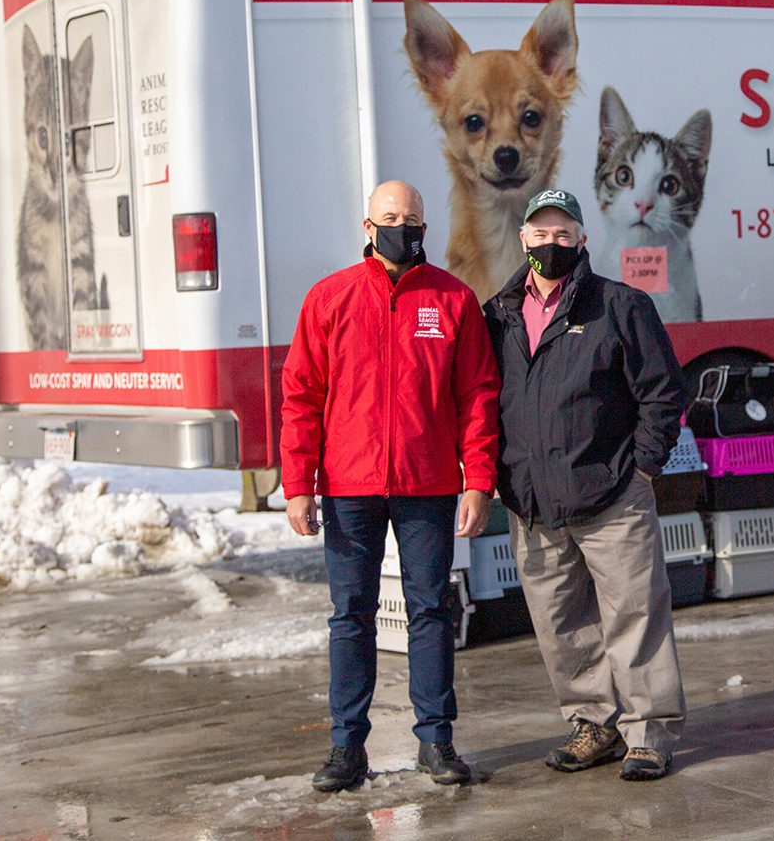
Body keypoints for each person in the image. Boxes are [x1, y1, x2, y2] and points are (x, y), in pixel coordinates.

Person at [280, 179, 499, 792]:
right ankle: (347, 748)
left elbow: (478, 396)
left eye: (412, 218)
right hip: (349, 487)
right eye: (390, 217)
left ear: (425, 226)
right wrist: (298, 484)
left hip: (428, 484)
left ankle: (436, 740)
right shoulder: (330, 298)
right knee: (351, 615)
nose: (402, 227)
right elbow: (301, 396)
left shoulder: (453, 300)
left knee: (431, 611)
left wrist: (478, 480)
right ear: (368, 226)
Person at [483, 189, 689, 781]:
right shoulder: (497, 315)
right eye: (540, 234)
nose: (551, 244)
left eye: (563, 234)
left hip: (611, 496)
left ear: (581, 239)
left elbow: (663, 393)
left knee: (634, 617)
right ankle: (594, 724)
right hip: (533, 504)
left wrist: (642, 467)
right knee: (562, 625)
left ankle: (648, 733)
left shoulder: (619, 305)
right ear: (523, 238)